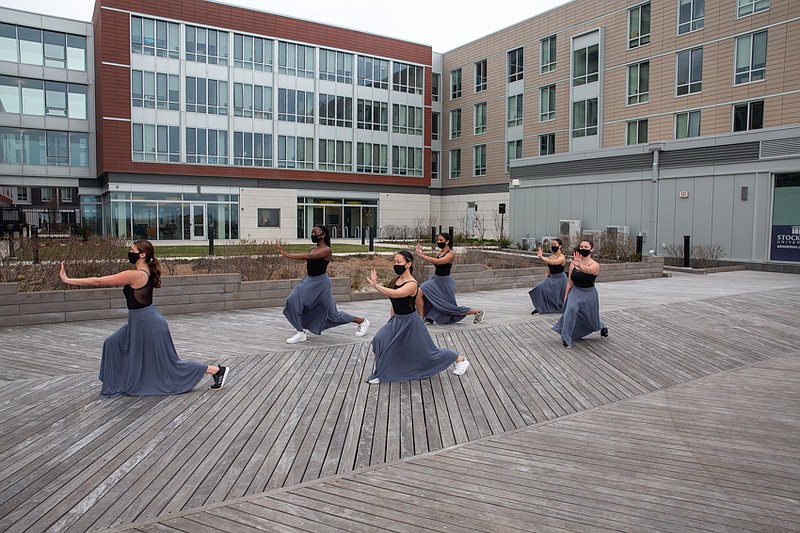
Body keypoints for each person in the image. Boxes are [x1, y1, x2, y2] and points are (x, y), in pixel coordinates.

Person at [59, 240, 229, 396]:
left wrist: (68, 280)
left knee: (169, 364)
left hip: (148, 323)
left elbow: (98, 281)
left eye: (132, 250)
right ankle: (120, 382)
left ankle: (216, 370)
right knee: (111, 343)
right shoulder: (143, 271)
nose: (129, 252)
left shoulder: (137, 275)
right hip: (139, 320)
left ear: (142, 255)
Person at [366, 250, 469, 384]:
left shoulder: (412, 284)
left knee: (429, 353)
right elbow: (394, 302)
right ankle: (382, 370)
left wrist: (377, 286)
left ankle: (461, 360)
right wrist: (391, 321)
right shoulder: (395, 281)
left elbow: (396, 294)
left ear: (408, 264)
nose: (396, 264)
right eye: (394, 262)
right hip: (397, 320)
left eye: (399, 262)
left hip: (411, 323)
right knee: (379, 340)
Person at [277, 224, 370, 343]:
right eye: (312, 232)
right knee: (292, 301)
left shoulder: (326, 250)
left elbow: (310, 257)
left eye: (315, 233)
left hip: (321, 284)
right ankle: (300, 332)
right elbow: (311, 258)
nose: (313, 235)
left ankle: (362, 321)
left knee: (333, 314)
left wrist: (287, 255)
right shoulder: (313, 248)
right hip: (309, 281)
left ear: (323, 235)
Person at [414, 233, 485, 325]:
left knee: (448, 307)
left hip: (444, 282)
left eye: (441, 240)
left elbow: (439, 262)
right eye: (438, 240)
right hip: (435, 280)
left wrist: (422, 255)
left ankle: (477, 311)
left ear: (447, 241)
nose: (439, 242)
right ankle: (422, 317)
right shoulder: (439, 252)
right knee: (420, 292)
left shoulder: (450, 254)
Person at [552, 239, 609, 348]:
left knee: (591, 320)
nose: (583, 249)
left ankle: (602, 326)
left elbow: (589, 271)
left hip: (589, 294)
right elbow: (569, 282)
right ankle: (566, 339)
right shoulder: (573, 264)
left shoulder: (595, 265)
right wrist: (565, 298)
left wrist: (580, 265)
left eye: (586, 247)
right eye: (581, 247)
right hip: (576, 292)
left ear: (591, 249)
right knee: (571, 310)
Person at [529, 238, 568, 314]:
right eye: (552, 245)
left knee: (558, 296)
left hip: (560, 279)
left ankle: (558, 307)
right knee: (540, 287)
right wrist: (545, 280)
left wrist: (541, 257)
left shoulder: (562, 257)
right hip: (552, 278)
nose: (553, 246)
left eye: (555, 245)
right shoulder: (551, 256)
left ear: (560, 246)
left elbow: (553, 263)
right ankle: (540, 307)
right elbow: (548, 269)